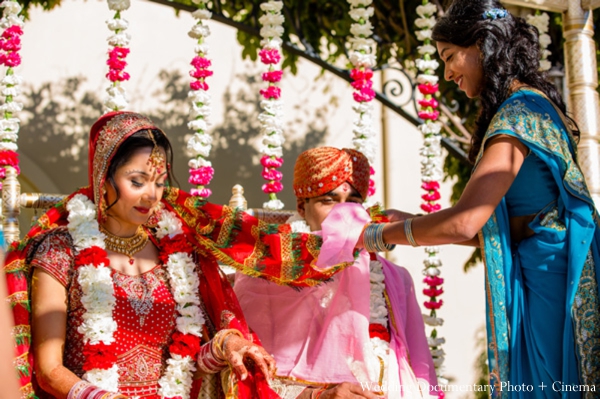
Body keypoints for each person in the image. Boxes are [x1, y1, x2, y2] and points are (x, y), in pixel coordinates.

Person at [3, 112, 362, 399]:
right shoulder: (60, 250)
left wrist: (228, 343)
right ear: (103, 178)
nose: (151, 195)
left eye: (159, 182)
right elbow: (49, 370)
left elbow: (194, 362)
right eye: (137, 181)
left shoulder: (177, 249)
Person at [372, 1, 600, 397]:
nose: (446, 73)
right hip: (543, 273)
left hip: (552, 283)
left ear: (482, 44)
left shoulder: (518, 116)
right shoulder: (527, 107)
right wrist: (409, 219)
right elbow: (489, 232)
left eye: (449, 57)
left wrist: (379, 235)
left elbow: (467, 222)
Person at [234, 147, 438, 399]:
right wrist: (317, 396)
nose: (344, 214)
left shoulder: (396, 278)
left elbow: (420, 370)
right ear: (301, 207)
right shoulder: (265, 276)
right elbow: (246, 377)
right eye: (328, 200)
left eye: (353, 203)